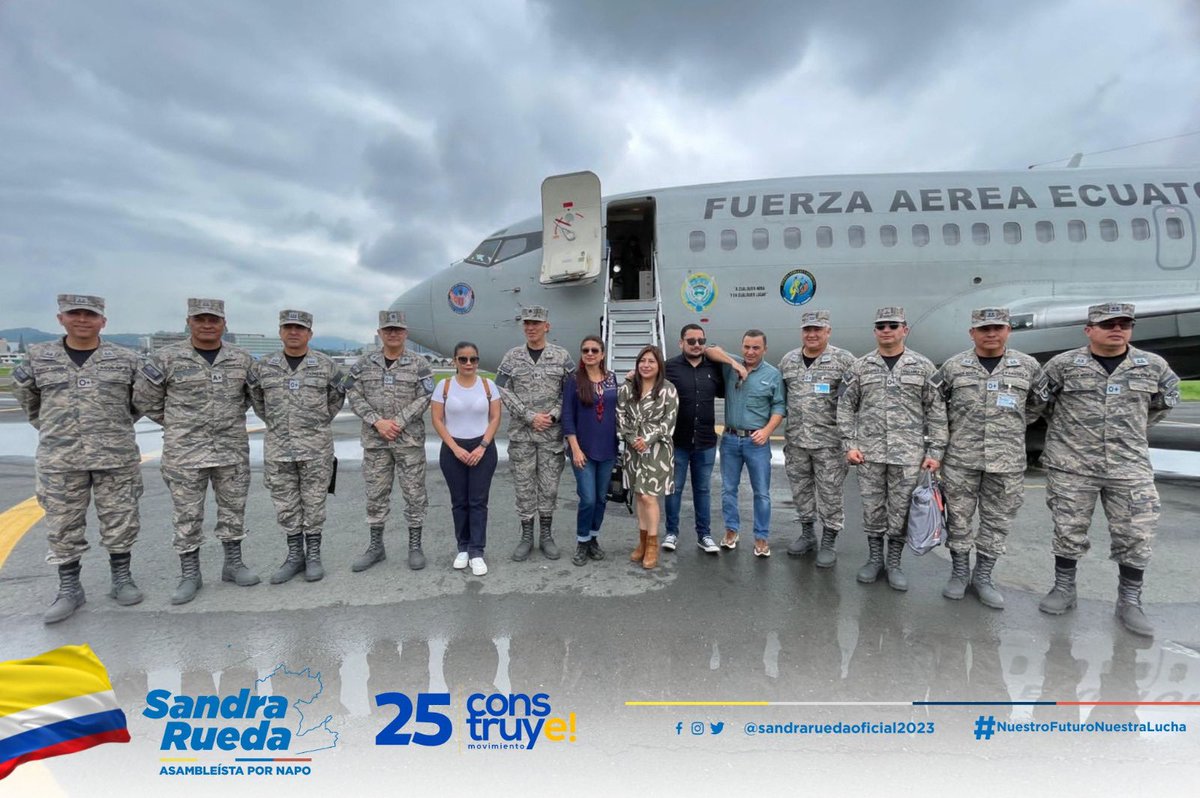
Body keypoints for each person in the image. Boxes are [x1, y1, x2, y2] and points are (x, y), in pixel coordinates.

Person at [1037, 302, 1180, 637]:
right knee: (1068, 529)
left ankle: (1130, 601)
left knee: (1135, 534)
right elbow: (1042, 404)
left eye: (1124, 324)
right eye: (1107, 324)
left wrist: (1127, 432)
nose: (1117, 329)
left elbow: (1163, 403)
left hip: (1128, 465)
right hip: (1072, 465)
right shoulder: (1063, 365)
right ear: (1089, 330)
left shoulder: (1152, 366)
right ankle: (1064, 589)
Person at [13, 294, 144, 623]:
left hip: (115, 455)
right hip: (61, 457)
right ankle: (69, 588)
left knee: (120, 519)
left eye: (91, 314)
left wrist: (111, 427)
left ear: (103, 321)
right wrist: (57, 428)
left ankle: (121, 579)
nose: (82, 320)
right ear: (61, 318)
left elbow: (139, 402)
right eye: (75, 314)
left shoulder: (126, 360)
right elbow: (30, 402)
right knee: (62, 525)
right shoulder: (38, 357)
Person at [134, 298, 259, 604]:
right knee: (187, 515)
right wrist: (180, 421)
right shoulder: (167, 358)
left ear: (224, 324)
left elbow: (252, 397)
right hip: (185, 452)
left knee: (233, 510)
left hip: (230, 450)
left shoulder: (242, 360)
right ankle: (190, 574)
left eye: (213, 320)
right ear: (188, 322)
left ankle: (233, 564)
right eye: (200, 319)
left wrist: (223, 418)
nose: (207, 325)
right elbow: (145, 399)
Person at [932, 307, 1046, 609]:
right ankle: (958, 573)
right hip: (960, 459)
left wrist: (1009, 426)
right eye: (984, 329)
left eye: (997, 328)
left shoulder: (1028, 366)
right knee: (958, 519)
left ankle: (983, 577)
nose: (991, 334)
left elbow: (1036, 406)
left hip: (1006, 460)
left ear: (1008, 330)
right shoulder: (954, 367)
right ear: (972, 333)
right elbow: (936, 408)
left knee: (997, 522)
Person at [837, 307, 947, 591]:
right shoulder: (860, 368)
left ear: (904, 330)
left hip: (908, 456)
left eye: (893, 325)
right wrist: (850, 445)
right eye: (881, 326)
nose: (887, 330)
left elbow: (936, 411)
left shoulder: (922, 367)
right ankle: (875, 560)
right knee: (873, 510)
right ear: (875, 331)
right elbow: (846, 408)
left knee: (900, 511)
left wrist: (935, 452)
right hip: (869, 455)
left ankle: (894, 563)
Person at [249, 310, 346, 584]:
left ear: (310, 334)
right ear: (280, 332)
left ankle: (313, 556)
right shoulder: (263, 366)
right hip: (279, 448)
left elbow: (336, 397)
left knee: (314, 504)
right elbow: (257, 400)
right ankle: (294, 557)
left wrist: (316, 422)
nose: (294, 332)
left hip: (316, 448)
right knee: (286, 505)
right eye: (288, 327)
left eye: (300, 328)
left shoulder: (326, 365)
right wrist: (279, 422)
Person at [345, 310, 434, 572]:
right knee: (375, 494)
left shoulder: (420, 364)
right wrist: (377, 421)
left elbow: (425, 396)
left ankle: (415, 546)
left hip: (408, 442)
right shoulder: (363, 364)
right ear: (380, 332)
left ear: (405, 333)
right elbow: (353, 394)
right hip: (376, 441)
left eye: (397, 329)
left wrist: (398, 421)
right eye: (388, 329)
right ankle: (376, 547)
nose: (393, 333)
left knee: (415, 494)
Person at [495, 305, 575, 561]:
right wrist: (528, 415)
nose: (530, 327)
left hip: (551, 435)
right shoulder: (512, 357)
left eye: (536, 323)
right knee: (524, 487)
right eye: (527, 323)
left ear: (546, 326)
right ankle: (527, 536)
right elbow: (501, 388)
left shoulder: (561, 356)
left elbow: (570, 392)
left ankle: (547, 536)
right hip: (522, 436)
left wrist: (552, 414)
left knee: (549, 488)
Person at [778, 310, 856, 567]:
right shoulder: (788, 361)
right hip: (797, 442)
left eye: (817, 329)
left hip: (829, 444)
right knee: (801, 492)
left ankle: (829, 541)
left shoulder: (844, 360)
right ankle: (808, 534)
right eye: (807, 329)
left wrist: (852, 439)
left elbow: (857, 399)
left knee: (830, 494)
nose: (812, 334)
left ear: (828, 331)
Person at [662, 324, 746, 554]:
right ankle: (671, 532)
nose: (697, 345)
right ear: (681, 343)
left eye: (701, 341)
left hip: (705, 442)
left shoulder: (714, 367)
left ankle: (704, 535)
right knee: (674, 489)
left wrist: (731, 363)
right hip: (676, 441)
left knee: (702, 490)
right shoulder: (670, 367)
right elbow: (647, 381)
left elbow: (717, 353)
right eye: (691, 341)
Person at [431, 342, 502, 576]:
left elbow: (494, 418)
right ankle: (462, 547)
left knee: (478, 501)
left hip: (483, 447)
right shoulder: (444, 386)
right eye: (463, 359)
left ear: (478, 361)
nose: (468, 363)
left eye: (473, 359)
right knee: (459, 501)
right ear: (455, 361)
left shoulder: (488, 385)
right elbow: (438, 420)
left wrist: (482, 446)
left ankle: (477, 551)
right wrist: (455, 448)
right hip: (453, 449)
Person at [719, 330, 786, 557]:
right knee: (728, 489)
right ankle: (731, 531)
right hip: (729, 440)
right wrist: (732, 363)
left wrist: (767, 431)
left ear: (764, 349)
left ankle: (761, 538)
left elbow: (779, 407)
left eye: (756, 347)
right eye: (746, 347)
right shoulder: (732, 366)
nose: (750, 352)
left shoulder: (772, 374)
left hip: (756, 443)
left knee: (761, 493)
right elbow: (711, 349)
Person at [618, 346, 679, 569]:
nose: (646, 365)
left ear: (659, 365)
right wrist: (633, 437)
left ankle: (652, 545)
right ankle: (642, 543)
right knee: (639, 495)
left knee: (649, 497)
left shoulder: (668, 389)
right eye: (642, 361)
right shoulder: (628, 388)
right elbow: (620, 415)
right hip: (634, 449)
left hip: (657, 450)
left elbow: (669, 421)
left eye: (651, 361)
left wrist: (648, 438)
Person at [562, 336, 619, 567]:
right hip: (582, 450)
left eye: (595, 350)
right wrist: (574, 449)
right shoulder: (574, 380)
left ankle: (593, 538)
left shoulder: (613, 379)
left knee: (601, 500)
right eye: (585, 350)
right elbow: (567, 416)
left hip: (608, 449)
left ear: (603, 354)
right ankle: (582, 541)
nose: (590, 353)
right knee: (588, 498)